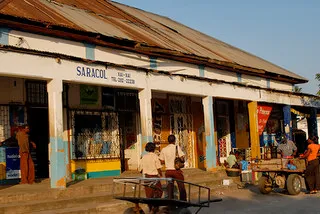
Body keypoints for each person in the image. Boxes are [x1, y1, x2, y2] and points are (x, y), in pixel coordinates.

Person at [159, 135, 187, 201]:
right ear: (174, 140)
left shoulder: (164, 149)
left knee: (169, 188)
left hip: (168, 171)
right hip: (176, 170)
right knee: (181, 187)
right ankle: (183, 202)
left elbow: (161, 161)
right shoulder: (177, 148)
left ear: (168, 141)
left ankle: (170, 203)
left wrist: (167, 160)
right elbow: (182, 158)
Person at [139, 142, 163, 212]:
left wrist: (145, 171)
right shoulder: (155, 156)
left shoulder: (144, 157)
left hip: (147, 177)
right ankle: (155, 206)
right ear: (154, 148)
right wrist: (161, 174)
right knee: (159, 191)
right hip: (154, 177)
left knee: (149, 194)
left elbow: (140, 169)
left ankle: (150, 208)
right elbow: (158, 168)